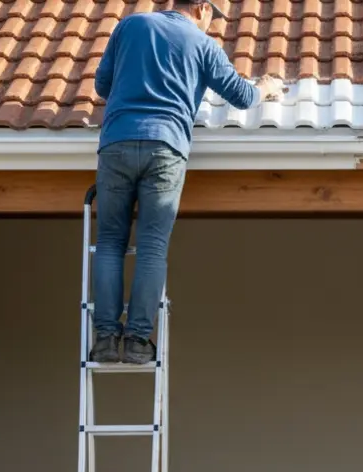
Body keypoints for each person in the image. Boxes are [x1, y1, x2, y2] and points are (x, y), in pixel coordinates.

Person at [91, 0, 283, 364]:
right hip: (166, 147)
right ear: (201, 8)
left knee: (110, 242)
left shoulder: (130, 27)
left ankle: (104, 339)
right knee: (151, 245)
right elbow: (241, 97)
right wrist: (265, 88)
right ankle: (136, 343)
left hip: (116, 142)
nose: (213, 22)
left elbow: (102, 86)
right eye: (214, 14)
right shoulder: (202, 44)